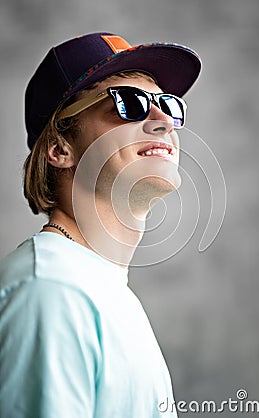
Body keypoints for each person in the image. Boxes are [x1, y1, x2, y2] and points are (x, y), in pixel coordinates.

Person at [0, 32, 201, 417]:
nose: (162, 121)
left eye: (168, 104)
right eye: (129, 103)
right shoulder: (51, 292)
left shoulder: (99, 287)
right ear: (59, 148)